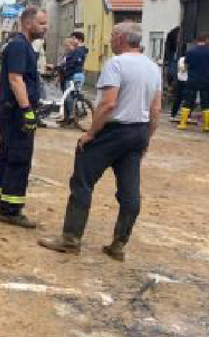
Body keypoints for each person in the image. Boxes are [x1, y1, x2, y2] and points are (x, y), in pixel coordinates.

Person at [39, 23, 161, 261]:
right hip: (138, 131)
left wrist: (91, 133)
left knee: (82, 180)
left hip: (113, 130)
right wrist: (147, 137)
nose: (110, 39)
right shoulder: (152, 67)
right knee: (129, 190)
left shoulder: (116, 64)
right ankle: (118, 244)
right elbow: (155, 109)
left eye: (113, 35)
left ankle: (71, 239)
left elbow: (108, 104)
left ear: (123, 38)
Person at [0, 7, 48, 228]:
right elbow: (15, 79)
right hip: (16, 112)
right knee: (19, 158)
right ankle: (11, 209)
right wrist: (27, 111)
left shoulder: (20, 46)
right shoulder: (20, 46)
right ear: (28, 23)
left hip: (10, 110)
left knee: (6, 155)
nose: (45, 27)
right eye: (41, 23)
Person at [178, 32, 209, 131]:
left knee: (188, 101)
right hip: (206, 80)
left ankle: (183, 124)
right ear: (206, 40)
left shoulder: (190, 52)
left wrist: (183, 70)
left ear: (197, 41)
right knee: (206, 102)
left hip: (192, 80)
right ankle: (206, 126)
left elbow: (185, 67)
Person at [57, 32, 88, 126]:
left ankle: (72, 117)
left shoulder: (79, 51)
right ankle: (67, 118)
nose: (66, 46)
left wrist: (65, 67)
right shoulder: (71, 52)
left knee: (70, 97)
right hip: (67, 76)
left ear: (78, 40)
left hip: (73, 76)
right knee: (66, 98)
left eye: (73, 38)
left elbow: (74, 63)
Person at [170, 53, 188, 120]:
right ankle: (173, 115)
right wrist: (190, 66)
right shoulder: (182, 59)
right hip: (181, 81)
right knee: (178, 98)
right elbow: (183, 70)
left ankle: (186, 116)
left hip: (189, 81)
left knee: (188, 100)